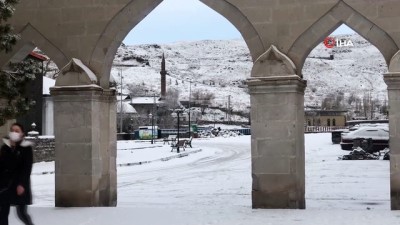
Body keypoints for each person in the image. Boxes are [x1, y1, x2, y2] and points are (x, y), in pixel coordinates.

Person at [0, 123, 34, 225]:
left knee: (21, 213)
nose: (14, 132)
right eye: (12, 130)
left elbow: (26, 168)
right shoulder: (5, 147)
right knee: (2, 213)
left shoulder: (26, 148)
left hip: (20, 184)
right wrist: (11, 149)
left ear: (22, 134)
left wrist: (22, 184)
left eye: (17, 130)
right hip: (5, 185)